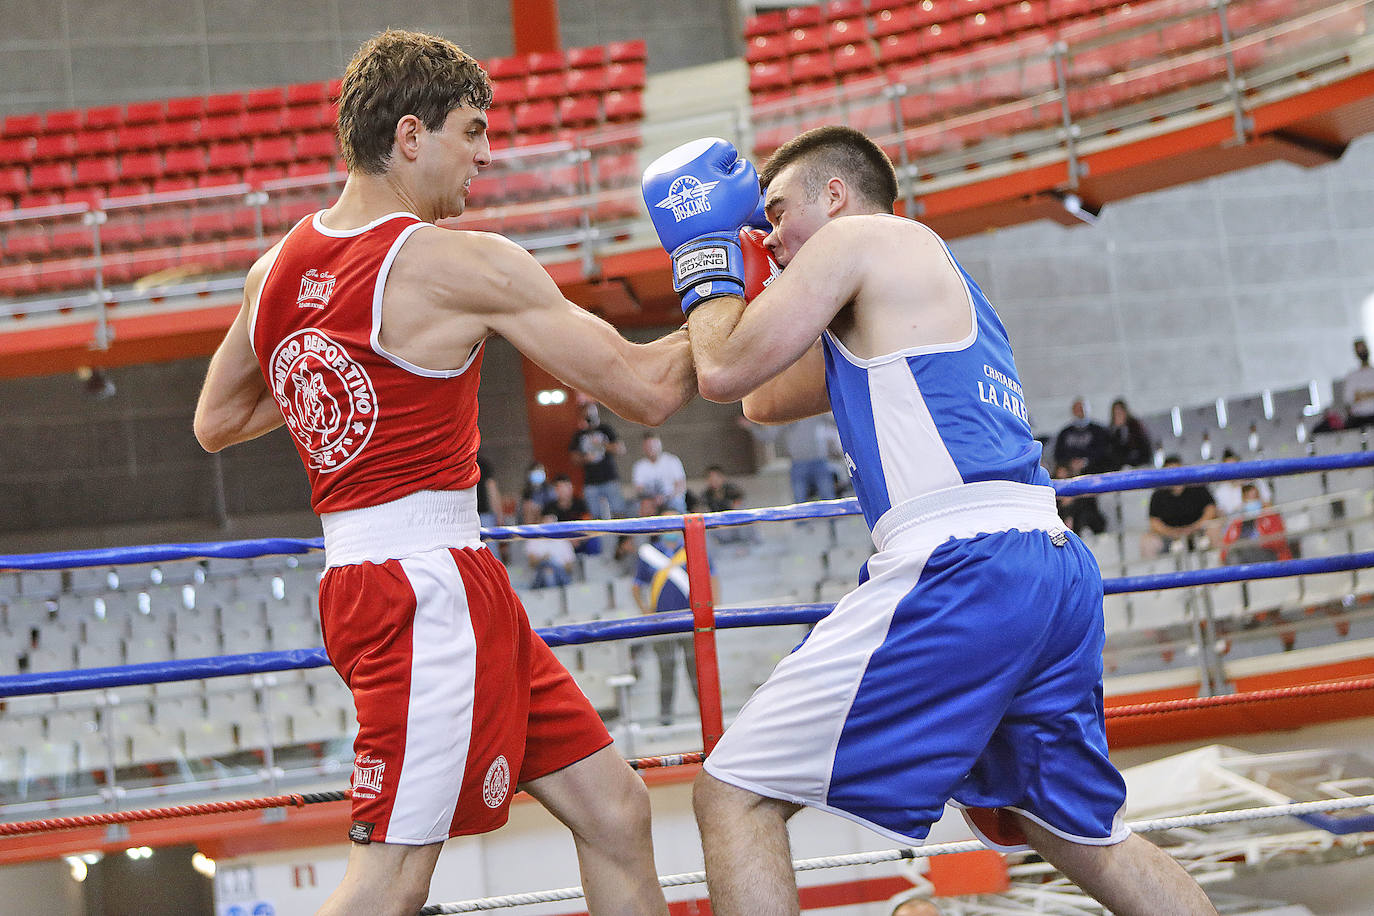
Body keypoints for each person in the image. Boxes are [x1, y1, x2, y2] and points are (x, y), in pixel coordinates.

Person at [641, 127, 1215, 915]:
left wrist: (705, 261)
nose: (769, 237)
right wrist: (749, 283)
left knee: (731, 793)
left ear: (835, 196)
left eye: (778, 213)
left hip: (963, 563)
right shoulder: (913, 284)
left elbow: (722, 366)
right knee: (1077, 829)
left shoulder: (859, 240)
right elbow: (759, 398)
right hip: (1044, 563)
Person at [193, 30, 692, 916]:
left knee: (614, 809)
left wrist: (346, 365)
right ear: (412, 135)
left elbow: (218, 419)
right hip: (425, 591)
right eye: (473, 129)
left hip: (392, 580)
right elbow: (648, 390)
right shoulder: (460, 263)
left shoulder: (271, 273)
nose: (486, 153)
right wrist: (725, 287)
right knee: (392, 879)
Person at [630, 513, 720, 725]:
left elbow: (712, 577)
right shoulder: (649, 554)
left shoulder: (693, 548)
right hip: (662, 624)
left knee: (696, 670)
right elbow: (636, 586)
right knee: (666, 671)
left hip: (691, 620)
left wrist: (712, 606)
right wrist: (645, 611)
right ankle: (665, 718)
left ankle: (707, 718)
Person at [1142, 455, 1221, 558]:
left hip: (1200, 531)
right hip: (1170, 537)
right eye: (1169, 472)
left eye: (1176, 470)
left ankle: (1221, 570)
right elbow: (1154, 522)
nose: (1174, 475)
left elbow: (1211, 510)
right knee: (1148, 541)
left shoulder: (1197, 487)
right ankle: (1156, 573)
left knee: (1215, 529)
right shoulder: (1158, 494)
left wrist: (1194, 528)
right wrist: (1173, 533)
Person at [570, 401, 628, 519]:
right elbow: (573, 457)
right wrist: (585, 459)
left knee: (618, 511)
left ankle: (622, 537)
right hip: (591, 481)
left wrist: (602, 444)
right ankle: (601, 538)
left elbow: (620, 449)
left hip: (609, 477)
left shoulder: (605, 429)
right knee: (595, 515)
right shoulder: (579, 435)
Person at [1220, 484, 1291, 565]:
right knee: (1235, 554)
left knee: (1242, 551)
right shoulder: (1237, 523)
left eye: (1255, 497)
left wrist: (1259, 542)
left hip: (1269, 556)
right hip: (1242, 556)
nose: (1252, 501)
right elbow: (1224, 550)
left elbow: (1279, 543)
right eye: (1248, 498)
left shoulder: (1271, 516)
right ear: (1243, 500)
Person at [631, 433, 688, 515]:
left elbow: (681, 486)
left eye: (653, 445)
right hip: (650, 501)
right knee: (636, 507)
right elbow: (639, 489)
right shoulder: (639, 466)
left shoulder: (672, 461)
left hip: (671, 499)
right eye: (647, 446)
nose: (651, 448)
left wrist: (665, 498)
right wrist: (652, 500)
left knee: (675, 504)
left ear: (660, 445)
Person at [1054, 397, 1112, 474]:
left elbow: (1103, 451)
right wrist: (1070, 463)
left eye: (1081, 408)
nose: (1079, 412)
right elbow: (1058, 453)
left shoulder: (1099, 430)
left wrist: (1085, 461)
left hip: (1094, 469)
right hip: (1069, 470)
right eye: (1076, 409)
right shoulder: (1065, 432)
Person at [1212, 448, 1272, 517]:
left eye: (1234, 465)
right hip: (1235, 523)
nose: (1232, 470)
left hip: (1261, 520)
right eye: (1228, 467)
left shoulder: (1255, 481)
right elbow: (1222, 514)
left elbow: (1268, 504)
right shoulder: (1221, 491)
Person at [1053, 463, 1107, 536]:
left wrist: (1072, 502)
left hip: (1084, 533)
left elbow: (1098, 523)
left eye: (1065, 477)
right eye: (1059, 479)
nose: (1062, 477)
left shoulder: (1083, 498)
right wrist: (1063, 506)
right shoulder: (1053, 501)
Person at [1106, 399, 1152, 470]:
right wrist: (1117, 431)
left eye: (1120, 412)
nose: (1119, 415)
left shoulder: (1135, 427)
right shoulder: (1112, 431)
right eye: (1116, 413)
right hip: (1121, 466)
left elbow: (1144, 448)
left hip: (1139, 464)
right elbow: (1113, 452)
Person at [1341, 338, 1374, 428]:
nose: (1362, 351)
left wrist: (1362, 395)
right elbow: (1349, 399)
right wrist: (1370, 394)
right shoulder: (1352, 376)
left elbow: (1357, 396)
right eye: (1359, 349)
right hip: (1359, 418)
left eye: (1363, 348)